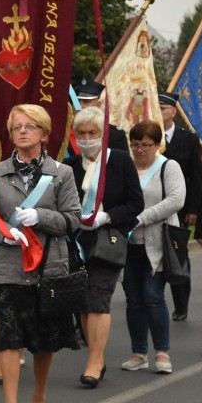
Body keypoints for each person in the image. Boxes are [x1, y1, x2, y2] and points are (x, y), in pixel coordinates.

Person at [0, 104, 81, 403]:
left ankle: (38, 398)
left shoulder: (61, 173)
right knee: (8, 337)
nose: (22, 131)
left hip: (49, 265)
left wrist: (42, 218)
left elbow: (73, 219)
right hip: (9, 265)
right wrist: (6, 233)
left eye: (30, 126)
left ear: (45, 134)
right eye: (17, 126)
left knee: (44, 339)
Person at [63, 107, 144, 387]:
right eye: (81, 133)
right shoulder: (69, 166)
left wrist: (107, 216)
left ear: (103, 134)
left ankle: (94, 361)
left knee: (98, 297)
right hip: (76, 242)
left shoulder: (119, 161)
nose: (87, 138)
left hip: (108, 240)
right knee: (83, 302)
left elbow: (136, 204)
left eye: (92, 133)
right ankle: (96, 357)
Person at [120, 120, 185, 374]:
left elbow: (176, 200)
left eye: (145, 145)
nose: (139, 149)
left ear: (157, 145)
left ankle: (162, 352)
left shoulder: (168, 166)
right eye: (135, 144)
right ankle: (138, 352)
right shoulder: (125, 166)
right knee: (133, 299)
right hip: (127, 243)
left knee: (153, 296)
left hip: (158, 243)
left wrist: (142, 217)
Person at [157, 90, 201, 322]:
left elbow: (195, 178)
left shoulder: (189, 140)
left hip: (180, 208)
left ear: (173, 112)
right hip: (153, 206)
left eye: (163, 108)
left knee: (179, 255)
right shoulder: (149, 136)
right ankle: (152, 299)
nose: (159, 111)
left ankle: (181, 304)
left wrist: (193, 209)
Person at [72, 81, 128, 151]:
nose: (81, 106)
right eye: (76, 102)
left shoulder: (115, 135)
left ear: (98, 105)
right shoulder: (63, 134)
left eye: (86, 101)